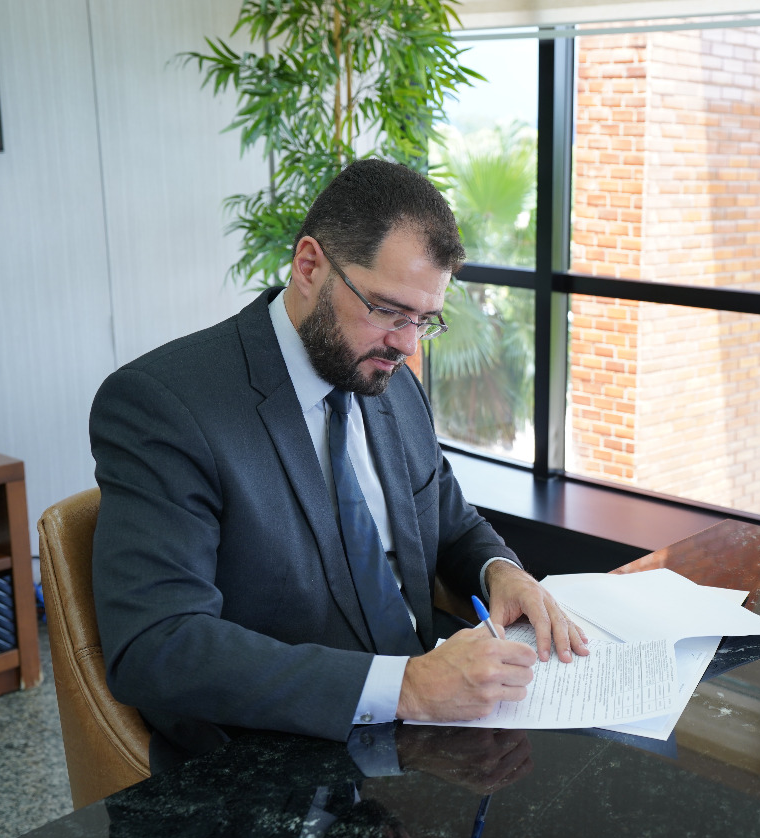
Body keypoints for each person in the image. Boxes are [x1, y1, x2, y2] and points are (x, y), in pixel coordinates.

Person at [91, 158, 587, 763]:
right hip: (279, 757)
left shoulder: (390, 380)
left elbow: (453, 525)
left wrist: (500, 572)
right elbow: (156, 646)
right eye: (387, 310)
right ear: (309, 266)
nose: (406, 345)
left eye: (424, 321)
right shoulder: (165, 405)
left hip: (430, 725)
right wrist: (407, 687)